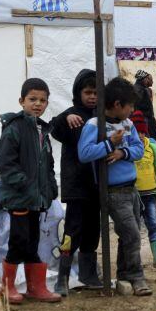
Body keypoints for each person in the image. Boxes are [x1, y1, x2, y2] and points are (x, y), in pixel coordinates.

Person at [77, 77, 152, 296]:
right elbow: (85, 153)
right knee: (132, 235)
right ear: (118, 104)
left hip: (131, 189)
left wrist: (122, 152)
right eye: (130, 105)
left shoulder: (128, 125)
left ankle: (124, 275)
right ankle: (137, 276)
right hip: (113, 192)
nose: (132, 110)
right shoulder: (95, 125)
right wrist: (110, 144)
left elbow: (139, 149)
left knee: (129, 235)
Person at [0, 78, 61, 304]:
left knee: (33, 241)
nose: (37, 104)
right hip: (20, 197)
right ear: (21, 101)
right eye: (32, 99)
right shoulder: (15, 128)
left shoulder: (43, 130)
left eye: (42, 100)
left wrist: (51, 187)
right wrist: (24, 183)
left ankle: (36, 288)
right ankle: (7, 287)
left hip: (37, 199)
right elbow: (4, 162)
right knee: (19, 240)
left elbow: (49, 165)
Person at [49, 69, 103, 297]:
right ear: (78, 92)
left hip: (96, 187)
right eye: (88, 92)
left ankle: (88, 274)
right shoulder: (73, 116)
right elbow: (52, 126)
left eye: (96, 93)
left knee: (93, 231)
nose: (92, 97)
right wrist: (65, 118)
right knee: (73, 231)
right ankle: (62, 278)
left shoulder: (103, 116)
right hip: (77, 187)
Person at [130, 111, 156, 268]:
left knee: (153, 224)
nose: (140, 135)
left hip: (150, 194)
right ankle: (135, 261)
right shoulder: (129, 149)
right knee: (134, 228)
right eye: (137, 132)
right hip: (133, 195)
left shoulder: (152, 149)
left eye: (142, 132)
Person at [133, 69, 156, 144]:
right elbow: (137, 104)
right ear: (143, 79)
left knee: (153, 137)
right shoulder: (139, 89)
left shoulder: (141, 89)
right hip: (145, 118)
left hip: (146, 117)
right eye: (148, 79)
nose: (150, 81)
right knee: (151, 138)